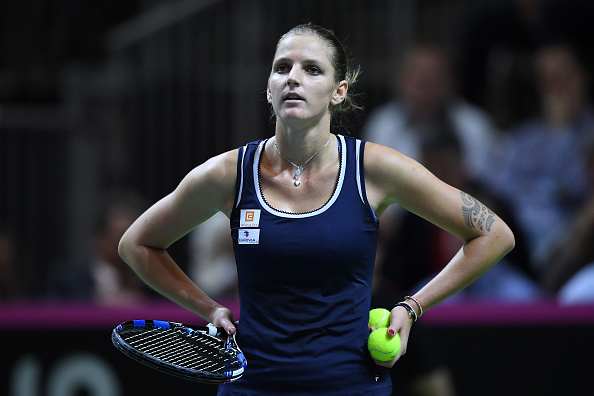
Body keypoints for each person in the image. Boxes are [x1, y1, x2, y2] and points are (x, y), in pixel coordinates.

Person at [118, 23, 515, 395]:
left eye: (312, 69)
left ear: (338, 91)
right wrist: (209, 309)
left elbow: (493, 234)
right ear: (269, 88)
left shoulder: (375, 168)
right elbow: (137, 244)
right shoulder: (228, 175)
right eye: (282, 68)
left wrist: (412, 308)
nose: (293, 77)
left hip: (353, 387)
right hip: (253, 387)